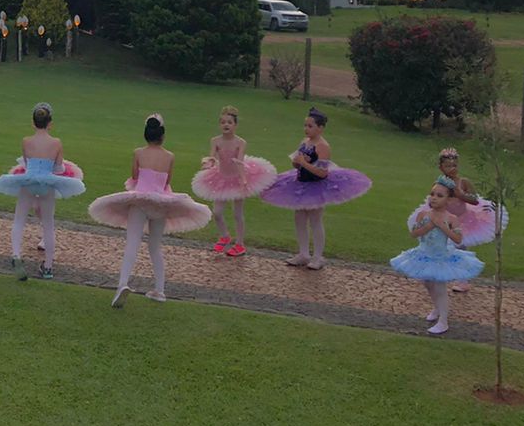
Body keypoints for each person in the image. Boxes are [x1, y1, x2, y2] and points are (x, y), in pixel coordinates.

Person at [89, 114, 212, 306]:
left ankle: (122, 284)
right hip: (160, 204)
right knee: (155, 247)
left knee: (132, 243)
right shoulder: (170, 156)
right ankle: (160, 289)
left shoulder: (139, 153)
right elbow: (167, 182)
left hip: (140, 202)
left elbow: (134, 176)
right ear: (162, 135)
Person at [259, 107, 372, 270]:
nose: (306, 129)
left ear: (320, 128)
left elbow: (322, 173)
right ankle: (303, 253)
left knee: (315, 220)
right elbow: (296, 162)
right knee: (299, 218)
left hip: (316, 186)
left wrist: (305, 163)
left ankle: (318, 256)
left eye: (310, 126)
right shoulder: (304, 142)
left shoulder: (323, 146)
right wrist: (297, 162)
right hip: (301, 182)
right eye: (305, 125)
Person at [0, 102, 86, 280]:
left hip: (29, 180)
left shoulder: (26, 141)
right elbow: (58, 168)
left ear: (33, 123)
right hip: (47, 182)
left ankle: (16, 255)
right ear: (50, 123)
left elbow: (27, 164)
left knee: (19, 219)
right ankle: (48, 267)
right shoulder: (56, 143)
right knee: (48, 224)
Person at [406, 148, 507, 293]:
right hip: (442, 218)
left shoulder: (463, 182)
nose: (452, 169)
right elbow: (432, 200)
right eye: (448, 166)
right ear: (441, 168)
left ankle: (463, 280)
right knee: (438, 247)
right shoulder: (439, 183)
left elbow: (474, 200)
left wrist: (461, 194)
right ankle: (435, 275)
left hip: (462, 220)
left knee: (461, 248)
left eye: (455, 165)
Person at [391, 178, 483, 336]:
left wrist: (442, 227)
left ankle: (443, 321)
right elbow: (414, 233)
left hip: (440, 257)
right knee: (427, 283)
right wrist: (428, 226)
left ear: (448, 199)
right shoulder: (423, 215)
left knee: (440, 288)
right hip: (424, 254)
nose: (434, 197)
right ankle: (436, 308)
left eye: (439, 195)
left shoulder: (451, 219)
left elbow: (458, 239)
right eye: (432, 194)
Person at [190, 105, 277, 259]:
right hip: (220, 178)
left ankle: (240, 244)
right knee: (217, 212)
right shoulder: (215, 141)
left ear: (235, 125)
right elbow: (212, 157)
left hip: (237, 177)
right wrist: (208, 163)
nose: (226, 125)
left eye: (229, 122)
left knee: (238, 213)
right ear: (219, 124)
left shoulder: (240, 142)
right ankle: (224, 236)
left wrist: (243, 180)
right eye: (223, 122)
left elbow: (240, 161)